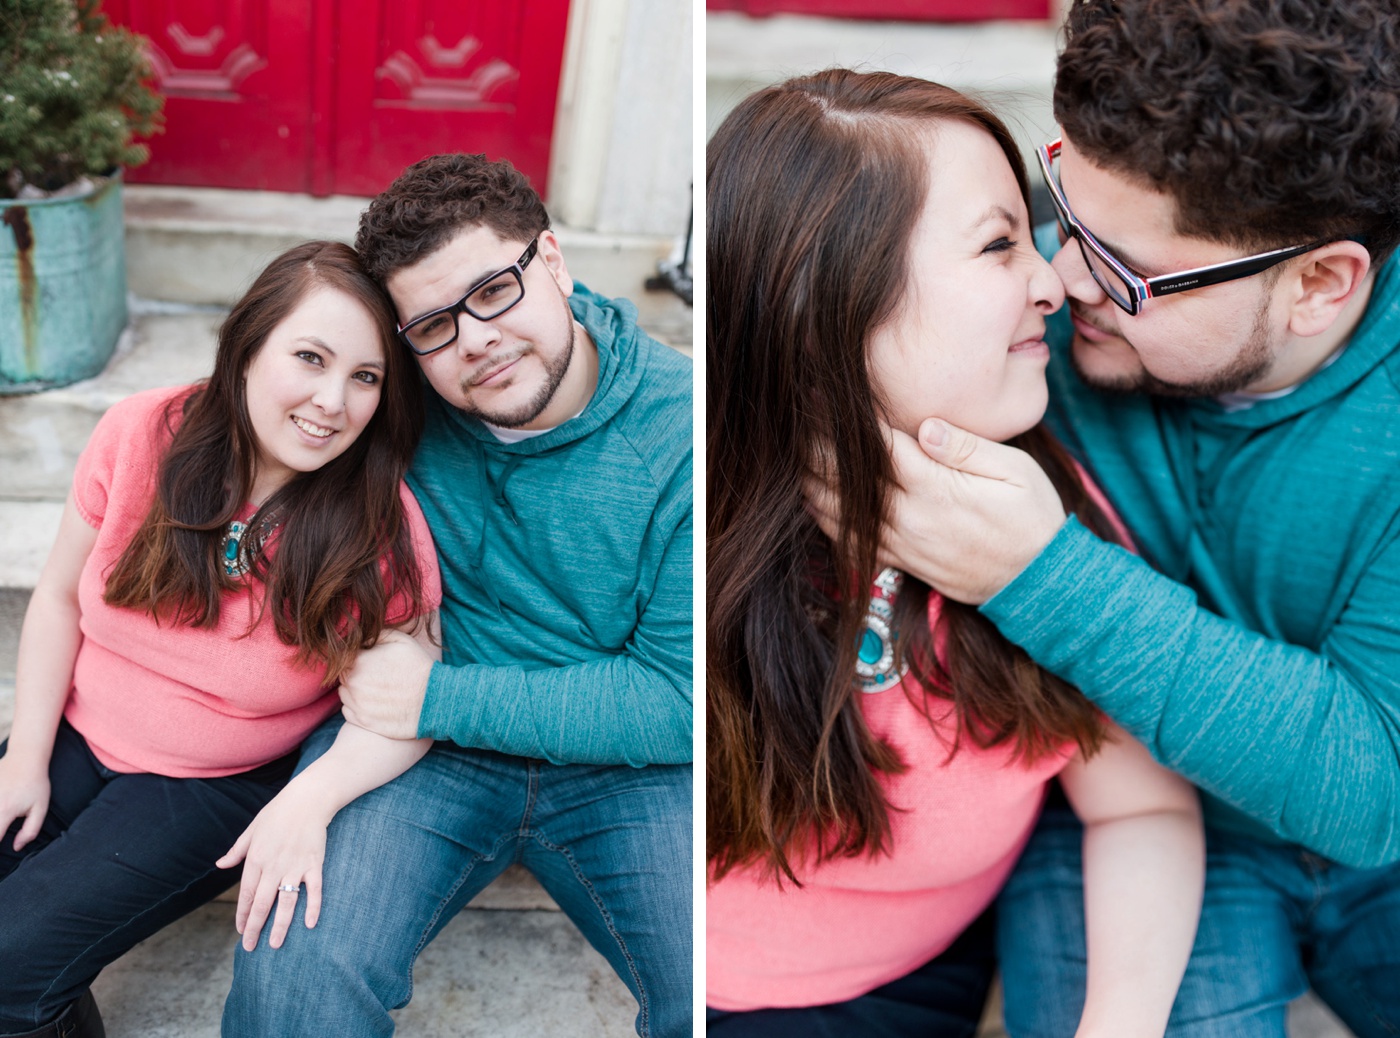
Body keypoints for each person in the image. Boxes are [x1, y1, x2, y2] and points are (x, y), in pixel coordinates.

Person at [819, 1, 1400, 1034]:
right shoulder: (1012, 328)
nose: (1060, 275)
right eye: (1060, 207)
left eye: (1126, 269)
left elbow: (1373, 791)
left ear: (1317, 283)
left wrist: (1038, 574)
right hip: (1117, 812)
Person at [706, 69, 1204, 1038]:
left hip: (903, 988)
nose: (1052, 281)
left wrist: (1119, 1023)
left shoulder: (1051, 519)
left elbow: (1138, 808)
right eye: (997, 243)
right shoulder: (701, 533)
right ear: (824, 312)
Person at [222, 154, 693, 1038]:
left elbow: (676, 700)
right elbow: (263, 415)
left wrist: (437, 693)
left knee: (716, 988)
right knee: (295, 978)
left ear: (552, 261)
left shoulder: (685, 434)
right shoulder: (394, 398)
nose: (473, 339)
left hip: (621, 769)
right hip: (418, 755)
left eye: (493, 291)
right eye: (432, 324)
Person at [0, 240, 442, 1038]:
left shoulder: (378, 526)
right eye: (309, 357)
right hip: (73, 729)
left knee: (10, 960)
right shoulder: (142, 434)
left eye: (365, 377)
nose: (332, 401)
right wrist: (23, 757)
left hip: (208, 785)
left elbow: (404, 708)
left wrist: (310, 800)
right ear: (246, 347)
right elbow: (60, 597)